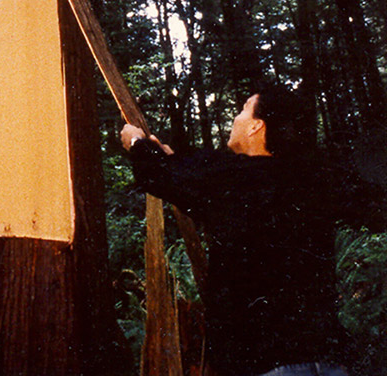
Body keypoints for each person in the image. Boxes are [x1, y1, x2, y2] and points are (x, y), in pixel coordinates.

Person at [121, 83, 386, 376]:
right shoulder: (305, 182)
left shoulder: (233, 179)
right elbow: (200, 186)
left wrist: (136, 143)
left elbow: (163, 177)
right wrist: (168, 161)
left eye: (244, 109)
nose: (236, 117)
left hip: (267, 366)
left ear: (256, 127)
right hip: (329, 363)